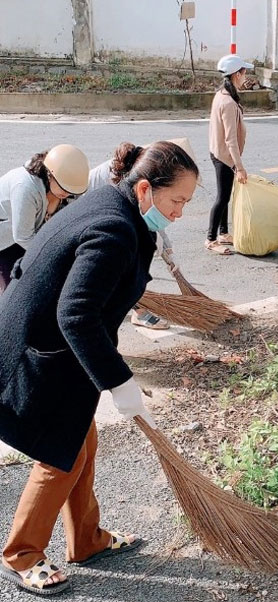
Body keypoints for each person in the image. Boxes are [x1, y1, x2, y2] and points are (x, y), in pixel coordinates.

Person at [0, 141, 198, 596]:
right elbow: (77, 314)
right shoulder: (114, 229)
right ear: (145, 189)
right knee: (60, 454)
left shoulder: (114, 203)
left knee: (81, 442)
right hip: (41, 350)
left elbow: (94, 301)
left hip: (55, 344)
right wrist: (119, 381)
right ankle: (20, 554)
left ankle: (86, 539)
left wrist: (110, 374)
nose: (180, 213)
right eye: (177, 201)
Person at [88, 137, 200, 330]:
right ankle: (138, 312)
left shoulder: (148, 181)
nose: (179, 212)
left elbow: (155, 216)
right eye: (177, 200)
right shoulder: (124, 183)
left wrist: (169, 252)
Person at [0, 144, 89, 292]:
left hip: (33, 235)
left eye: (71, 191)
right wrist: (54, 256)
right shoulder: (25, 187)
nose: (66, 193)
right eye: (63, 188)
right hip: (8, 239)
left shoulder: (70, 189)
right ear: (50, 174)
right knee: (14, 290)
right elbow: (23, 236)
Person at [206, 54, 253, 255]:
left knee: (225, 195)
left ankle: (224, 233)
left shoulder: (222, 95)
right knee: (222, 198)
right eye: (243, 73)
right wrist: (239, 167)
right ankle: (210, 239)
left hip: (219, 153)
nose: (245, 76)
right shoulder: (228, 103)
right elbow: (230, 140)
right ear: (236, 74)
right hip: (224, 156)